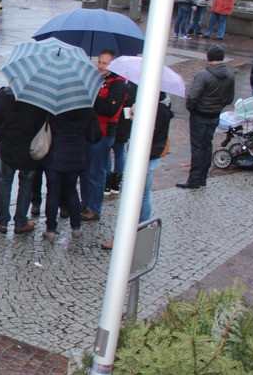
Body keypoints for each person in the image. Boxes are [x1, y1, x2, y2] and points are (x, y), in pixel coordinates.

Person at [102, 91, 174, 250]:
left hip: (142, 157)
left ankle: (121, 236)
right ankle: (142, 226)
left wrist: (136, 116)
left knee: (130, 195)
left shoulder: (150, 111)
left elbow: (145, 132)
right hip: (153, 157)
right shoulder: (164, 110)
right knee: (145, 193)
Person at [0, 85, 48, 234]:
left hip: (7, 147)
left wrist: (0, 136)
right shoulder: (40, 100)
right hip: (27, 150)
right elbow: (42, 127)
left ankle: (2, 220)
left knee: (5, 182)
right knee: (26, 185)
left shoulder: (3, 95)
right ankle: (21, 221)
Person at [177, 45, 234, 189]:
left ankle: (194, 179)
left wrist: (193, 109)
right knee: (207, 145)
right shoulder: (229, 75)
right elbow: (229, 98)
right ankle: (203, 177)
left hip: (200, 114)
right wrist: (217, 107)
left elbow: (192, 97)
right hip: (214, 115)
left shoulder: (204, 75)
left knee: (197, 147)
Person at [79, 50, 127, 221]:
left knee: (96, 171)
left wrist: (93, 94)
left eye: (104, 63)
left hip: (103, 133)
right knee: (84, 170)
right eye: (99, 62)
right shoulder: (98, 78)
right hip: (88, 129)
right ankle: (85, 202)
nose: (100, 66)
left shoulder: (118, 84)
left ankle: (94, 208)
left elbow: (109, 109)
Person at [43, 107, 101, 241]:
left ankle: (50, 230)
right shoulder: (87, 110)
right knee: (71, 190)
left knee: (52, 192)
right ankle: (76, 227)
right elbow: (94, 137)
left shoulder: (54, 107)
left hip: (54, 156)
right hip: (75, 158)